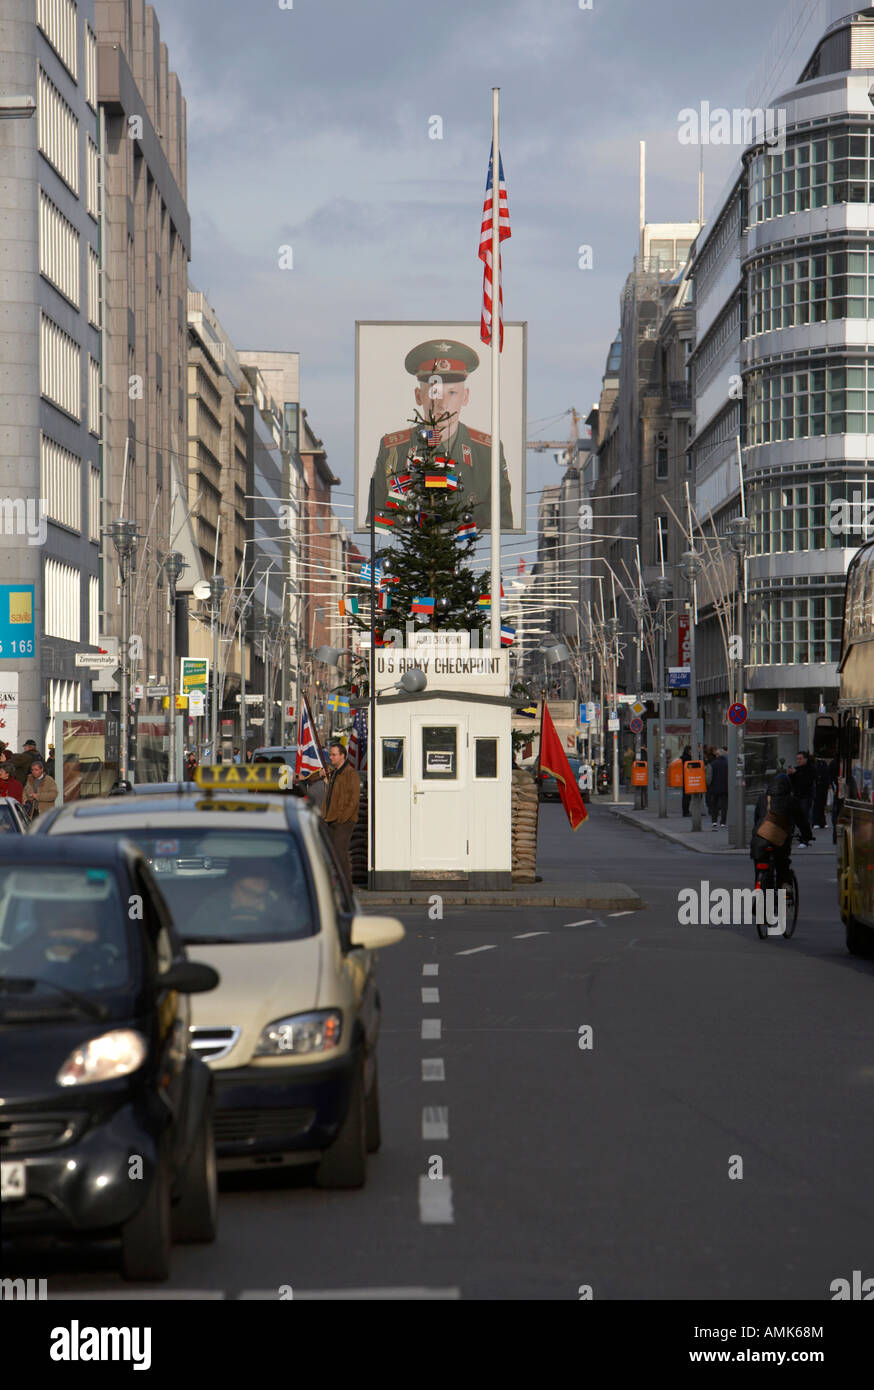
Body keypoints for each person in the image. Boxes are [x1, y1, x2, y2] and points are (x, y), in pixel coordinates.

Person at [367, 339, 513, 532]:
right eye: (434, 392)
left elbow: (502, 527)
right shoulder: (394, 449)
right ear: (418, 396)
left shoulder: (487, 452)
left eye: (452, 393)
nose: (442, 404)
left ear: (465, 396)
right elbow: (377, 524)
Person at [751, 772, 814, 888]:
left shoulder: (762, 798)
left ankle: (758, 888)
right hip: (780, 841)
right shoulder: (791, 800)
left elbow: (757, 819)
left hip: (759, 840)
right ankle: (784, 889)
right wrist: (807, 836)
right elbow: (802, 821)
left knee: (760, 865)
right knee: (782, 865)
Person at [322, 740, 361, 885]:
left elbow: (353, 799)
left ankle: (346, 887)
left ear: (342, 756)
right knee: (333, 854)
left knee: (340, 853)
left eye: (333, 755)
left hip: (343, 821)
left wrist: (342, 818)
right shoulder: (334, 773)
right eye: (330, 755)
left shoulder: (350, 774)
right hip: (331, 818)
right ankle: (337, 884)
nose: (330, 757)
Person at [788, 750, 816, 825]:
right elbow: (792, 783)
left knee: (804, 815)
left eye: (800, 759)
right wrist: (791, 775)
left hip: (806, 796)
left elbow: (806, 782)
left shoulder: (810, 769)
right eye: (797, 759)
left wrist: (795, 773)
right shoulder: (797, 769)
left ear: (805, 759)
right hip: (796, 796)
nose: (798, 761)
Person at [709, 747, 729, 829]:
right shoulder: (728, 764)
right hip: (725, 788)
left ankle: (714, 821)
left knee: (714, 805)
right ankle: (723, 822)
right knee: (724, 806)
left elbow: (709, 777)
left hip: (714, 787)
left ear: (717, 755)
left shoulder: (712, 764)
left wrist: (709, 785)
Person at [680, 744, 692, 817]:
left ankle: (686, 811)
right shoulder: (687, 758)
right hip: (687, 778)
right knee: (687, 796)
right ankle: (685, 811)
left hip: (686, 778)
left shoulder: (683, 757)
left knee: (686, 796)